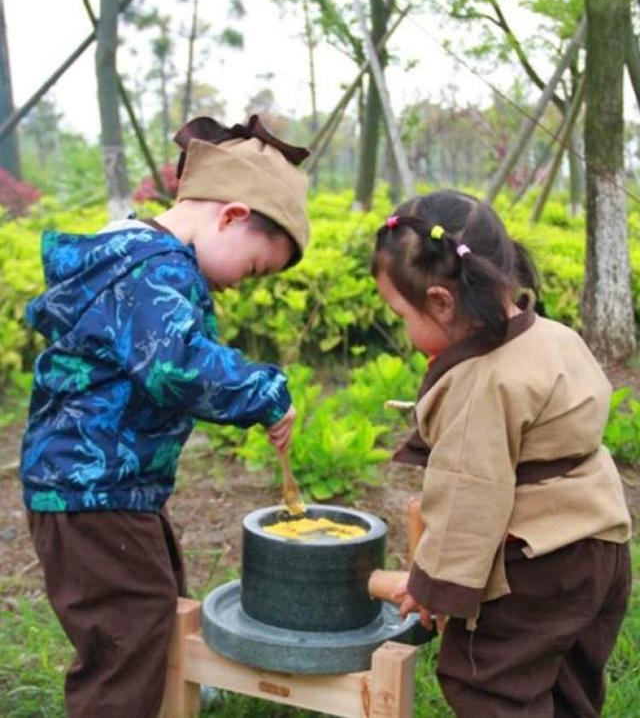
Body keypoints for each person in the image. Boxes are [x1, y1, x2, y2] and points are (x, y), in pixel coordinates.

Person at [20, 115, 309, 718]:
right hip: (89, 491)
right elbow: (177, 367)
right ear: (231, 216)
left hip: (110, 488)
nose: (240, 287)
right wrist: (264, 390)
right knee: (127, 639)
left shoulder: (135, 259)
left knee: (154, 603)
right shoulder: (156, 270)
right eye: (253, 267)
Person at [372, 190, 632, 717]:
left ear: (442, 302)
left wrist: (433, 585)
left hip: (537, 567)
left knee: (490, 683)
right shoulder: (555, 337)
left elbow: (470, 494)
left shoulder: (481, 383)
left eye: (401, 312)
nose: (402, 327)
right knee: (567, 687)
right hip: (601, 544)